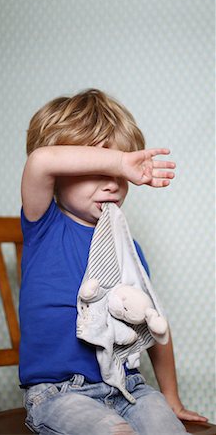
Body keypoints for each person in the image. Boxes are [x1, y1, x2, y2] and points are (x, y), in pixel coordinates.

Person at [19, 88, 207, 435]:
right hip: (60, 393)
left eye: (122, 173)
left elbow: (155, 326)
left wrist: (172, 397)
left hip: (128, 387)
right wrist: (119, 162)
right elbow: (40, 161)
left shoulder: (127, 249)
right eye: (97, 167)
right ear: (60, 175)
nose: (113, 184)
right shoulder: (43, 226)